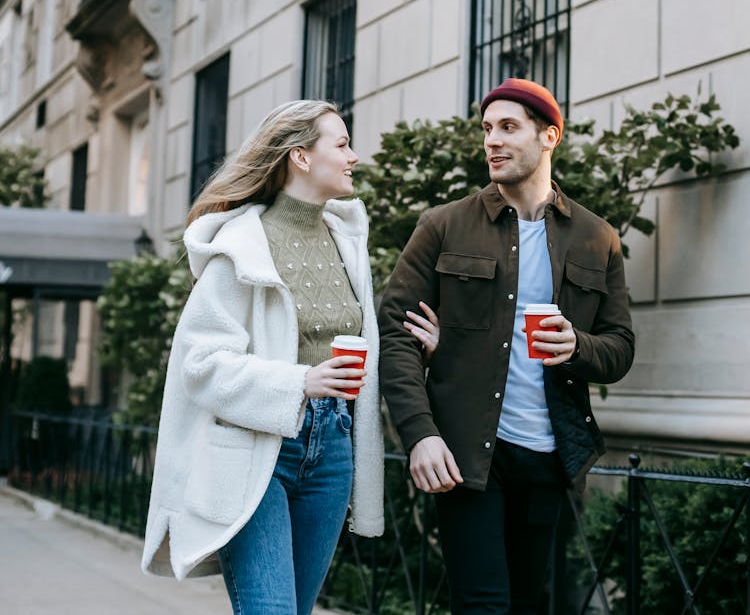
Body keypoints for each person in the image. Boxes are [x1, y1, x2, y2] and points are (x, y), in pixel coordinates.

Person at [378, 78, 635, 615]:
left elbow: (620, 347)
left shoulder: (597, 237)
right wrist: (420, 435)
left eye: (509, 128)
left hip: (550, 456)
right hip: (469, 456)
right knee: (484, 605)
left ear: (550, 136)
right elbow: (395, 335)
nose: (492, 140)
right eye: (487, 129)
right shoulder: (443, 226)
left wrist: (577, 345)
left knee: (528, 605)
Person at [142, 100, 384, 615]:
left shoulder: (348, 242)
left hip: (333, 446)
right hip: (259, 453)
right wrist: (300, 382)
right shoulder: (242, 246)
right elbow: (201, 364)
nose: (354, 156)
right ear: (299, 156)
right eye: (341, 144)